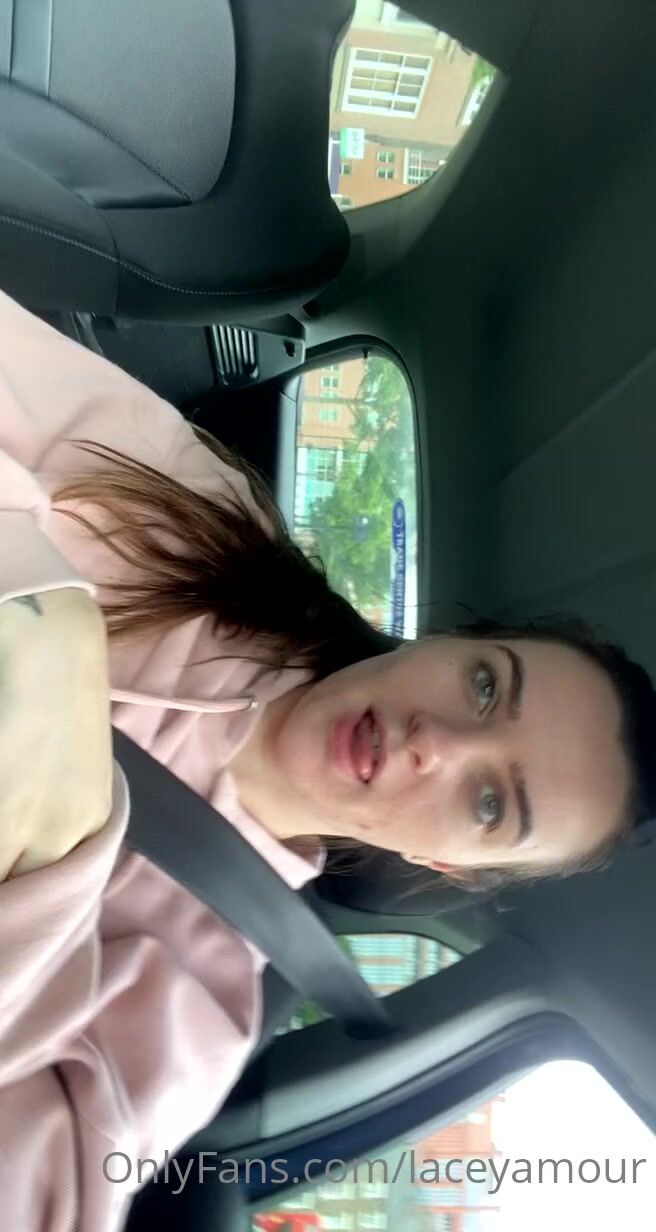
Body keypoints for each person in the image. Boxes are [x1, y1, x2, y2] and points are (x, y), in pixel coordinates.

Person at [0, 288, 654, 1231]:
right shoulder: (204, 518)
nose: (437, 744)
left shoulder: (201, 1000)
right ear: (446, 642)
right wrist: (33, 594)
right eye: (483, 687)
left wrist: (46, 873)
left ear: (445, 864)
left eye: (488, 804)